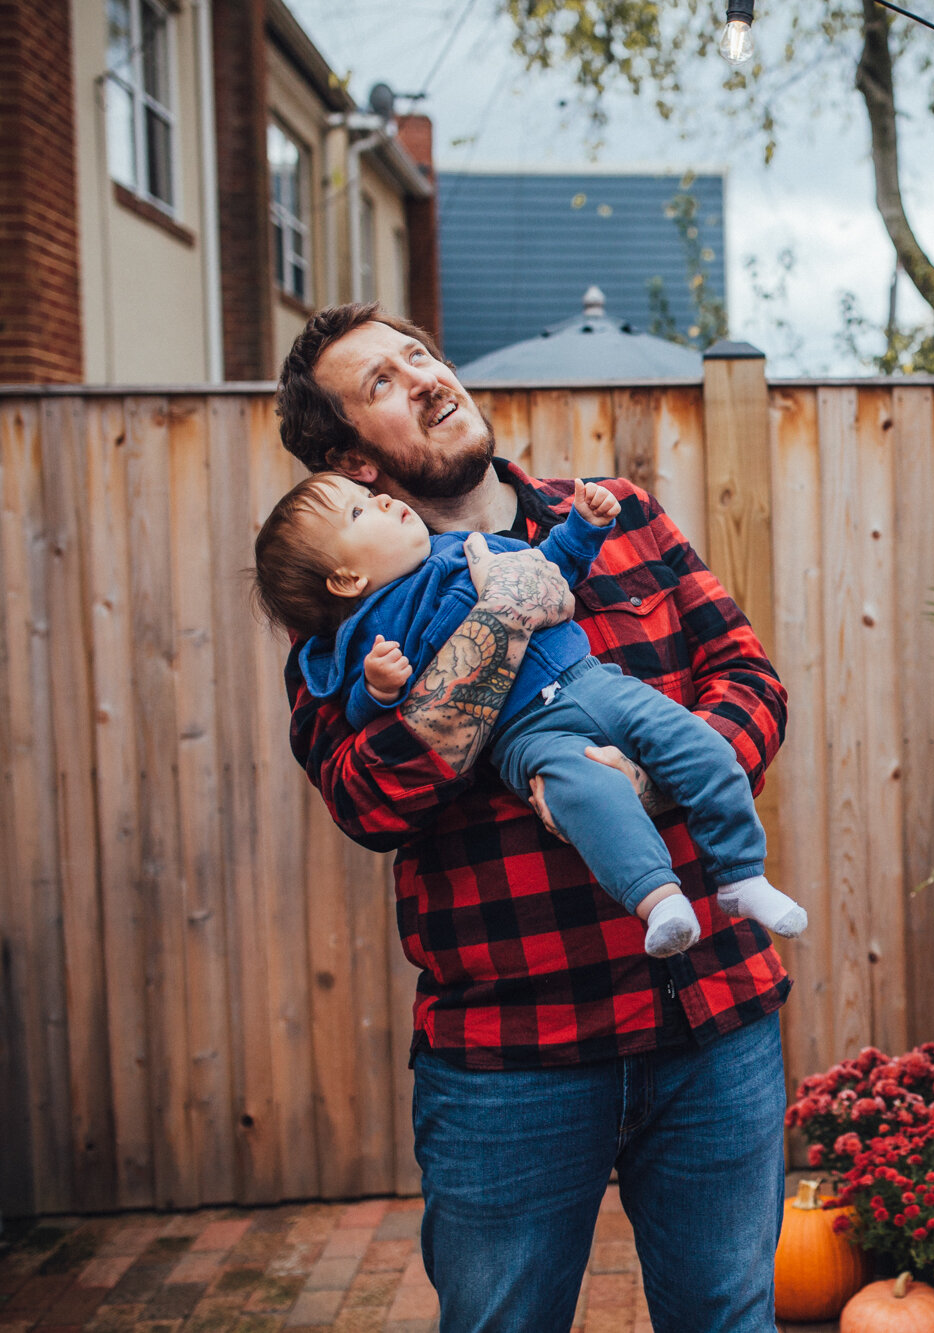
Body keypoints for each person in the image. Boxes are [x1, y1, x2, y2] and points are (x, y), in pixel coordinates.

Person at [274, 302, 791, 1332]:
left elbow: (747, 678)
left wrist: (656, 782)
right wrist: (503, 614)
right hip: (512, 1056)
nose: (423, 377)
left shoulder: (614, 516)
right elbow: (371, 795)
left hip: (714, 1018)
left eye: (418, 354)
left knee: (728, 1315)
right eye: (380, 382)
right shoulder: (349, 626)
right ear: (352, 464)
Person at [253, 471, 808, 958]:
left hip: (594, 682)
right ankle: (660, 903)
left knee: (700, 744)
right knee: (586, 797)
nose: (381, 503)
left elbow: (550, 568)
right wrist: (375, 689)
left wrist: (585, 529)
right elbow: (356, 716)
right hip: (526, 736)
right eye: (359, 510)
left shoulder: (464, 548)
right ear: (347, 580)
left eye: (369, 497)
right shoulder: (361, 636)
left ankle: (741, 875)